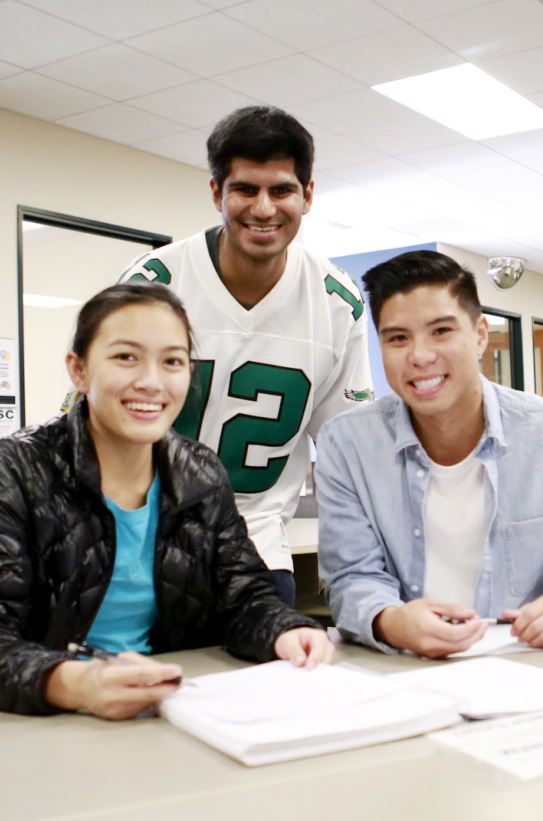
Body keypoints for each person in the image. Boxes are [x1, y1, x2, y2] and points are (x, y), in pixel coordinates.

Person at [0, 283, 334, 720]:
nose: (151, 381)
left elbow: (245, 596)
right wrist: (75, 683)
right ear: (79, 370)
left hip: (171, 712)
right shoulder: (15, 472)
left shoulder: (199, 472)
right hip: (41, 719)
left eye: (173, 361)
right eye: (126, 357)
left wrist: (285, 630)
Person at [118, 105, 373, 606]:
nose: (263, 208)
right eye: (245, 189)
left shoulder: (335, 302)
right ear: (217, 192)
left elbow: (350, 450)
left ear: (308, 195)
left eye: (281, 190)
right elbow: (95, 428)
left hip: (256, 550)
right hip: (143, 545)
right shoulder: (152, 285)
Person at [316, 250, 543, 659]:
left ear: (480, 334)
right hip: (404, 666)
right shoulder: (346, 444)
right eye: (398, 338)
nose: (420, 356)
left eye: (441, 331)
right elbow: (351, 576)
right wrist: (391, 621)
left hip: (533, 660)